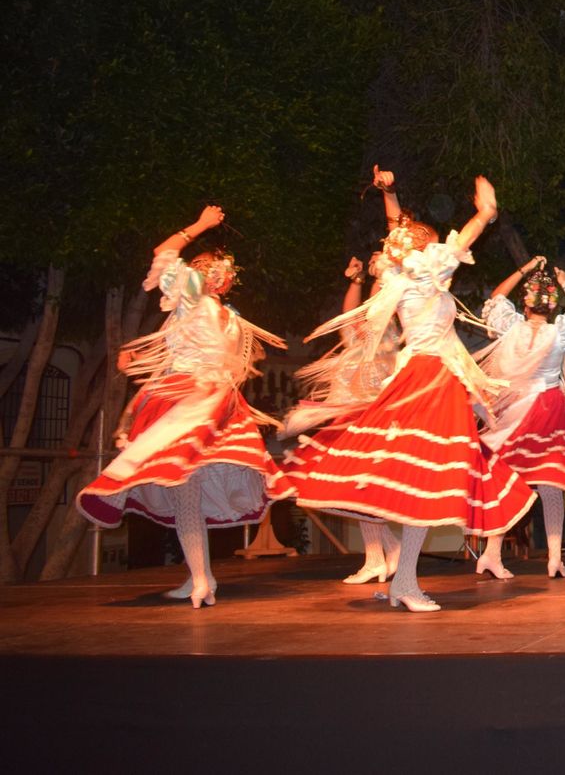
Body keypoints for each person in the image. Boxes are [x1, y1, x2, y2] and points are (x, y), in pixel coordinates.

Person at [285, 171, 536, 611]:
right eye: (430, 242)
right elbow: (453, 245)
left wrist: (390, 195)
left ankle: (403, 577)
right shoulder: (418, 277)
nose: (437, 247)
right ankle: (404, 581)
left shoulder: (406, 278)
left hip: (428, 376)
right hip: (429, 378)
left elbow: (400, 233)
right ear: (421, 252)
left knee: (423, 480)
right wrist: (484, 213)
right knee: (427, 478)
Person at [77, 205, 294, 608]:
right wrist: (201, 225)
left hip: (214, 402)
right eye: (203, 267)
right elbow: (164, 254)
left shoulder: (228, 317)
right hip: (185, 400)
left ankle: (201, 578)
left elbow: (229, 360)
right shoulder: (191, 299)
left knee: (187, 490)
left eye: (216, 269)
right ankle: (201, 577)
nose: (212, 273)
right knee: (183, 490)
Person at [474, 255, 565, 580]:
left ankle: (492, 552)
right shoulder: (559, 332)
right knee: (551, 485)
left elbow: (495, 299)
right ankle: (553, 558)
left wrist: (523, 269)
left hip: (515, 411)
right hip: (547, 409)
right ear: (552, 306)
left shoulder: (512, 326)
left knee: (505, 481)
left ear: (525, 305)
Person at [283, 250, 403, 585]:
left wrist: (378, 276)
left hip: (371, 409)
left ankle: (384, 554)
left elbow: (371, 308)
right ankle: (379, 555)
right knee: (354, 487)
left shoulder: (387, 316)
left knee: (361, 485)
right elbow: (350, 315)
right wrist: (356, 280)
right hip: (350, 407)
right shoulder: (361, 323)